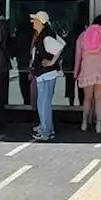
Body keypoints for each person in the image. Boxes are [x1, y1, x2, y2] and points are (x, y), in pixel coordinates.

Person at [75, 19, 101, 134]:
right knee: (99, 97)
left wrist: (76, 71)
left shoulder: (82, 36)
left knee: (87, 98)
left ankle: (84, 123)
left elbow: (78, 55)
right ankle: (99, 124)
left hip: (87, 67)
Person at [29, 11, 62, 142]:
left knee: (43, 104)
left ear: (41, 22)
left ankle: (46, 131)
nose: (33, 22)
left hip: (46, 74)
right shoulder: (45, 35)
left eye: (35, 20)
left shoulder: (46, 37)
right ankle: (47, 128)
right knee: (43, 103)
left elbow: (59, 48)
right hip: (44, 74)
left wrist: (52, 62)